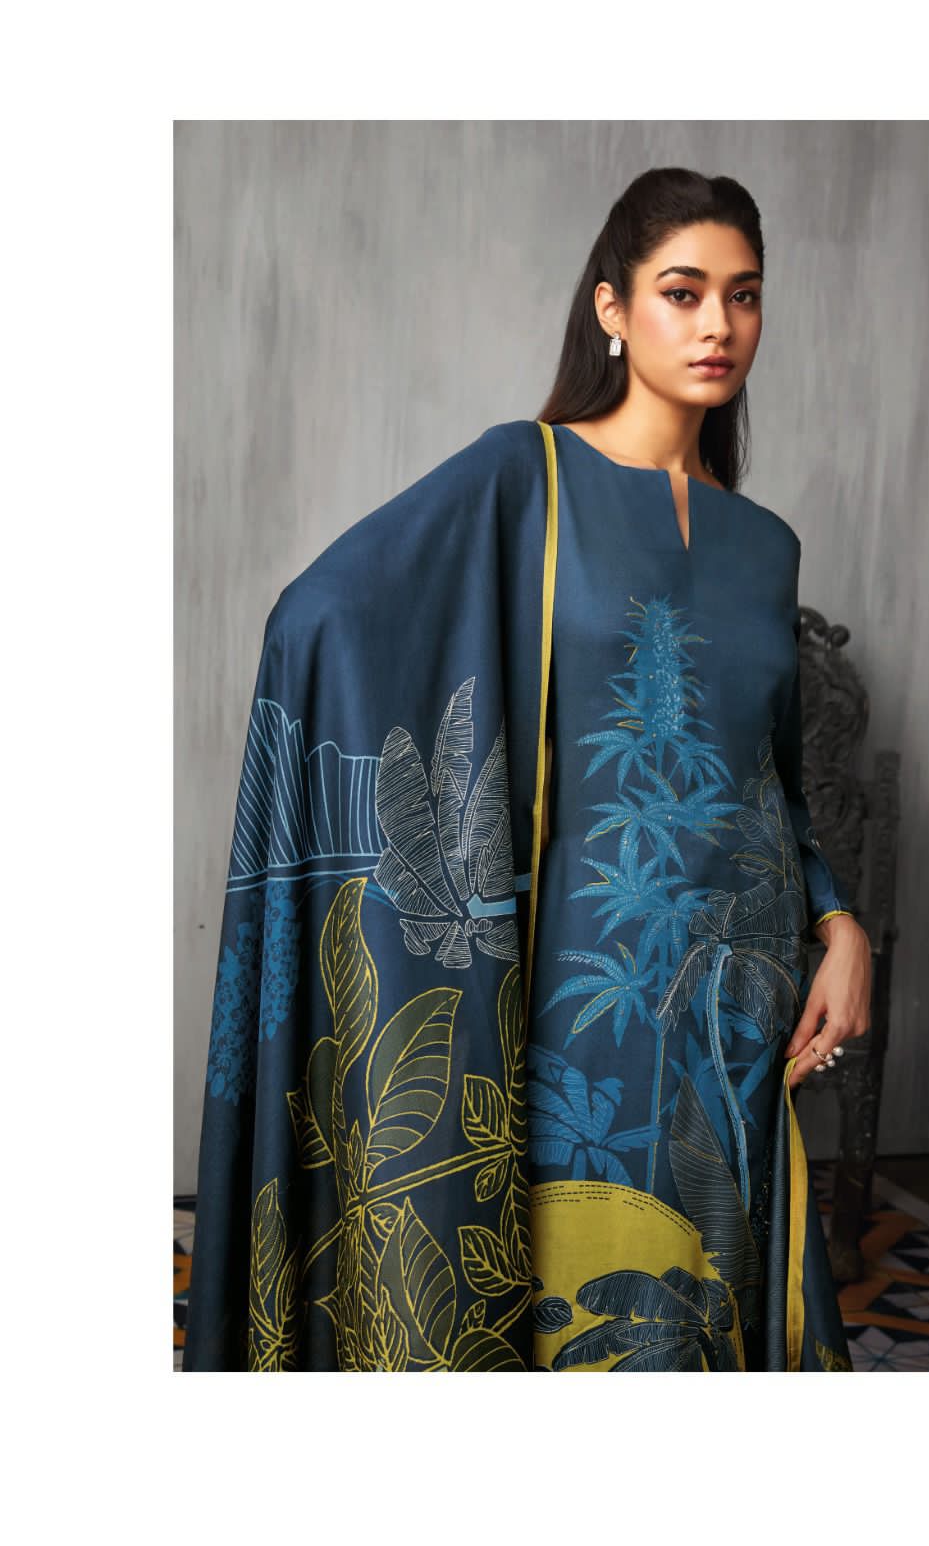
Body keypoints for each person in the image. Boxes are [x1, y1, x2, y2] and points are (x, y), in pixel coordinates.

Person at [183, 166, 871, 1372]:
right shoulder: (527, 478)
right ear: (612, 307)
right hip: (583, 992)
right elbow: (322, 616)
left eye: (743, 294)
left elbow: (770, 784)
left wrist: (837, 922)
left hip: (734, 1005)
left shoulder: (765, 546)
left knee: (709, 1315)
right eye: (682, 291)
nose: (716, 324)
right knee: (582, 1318)